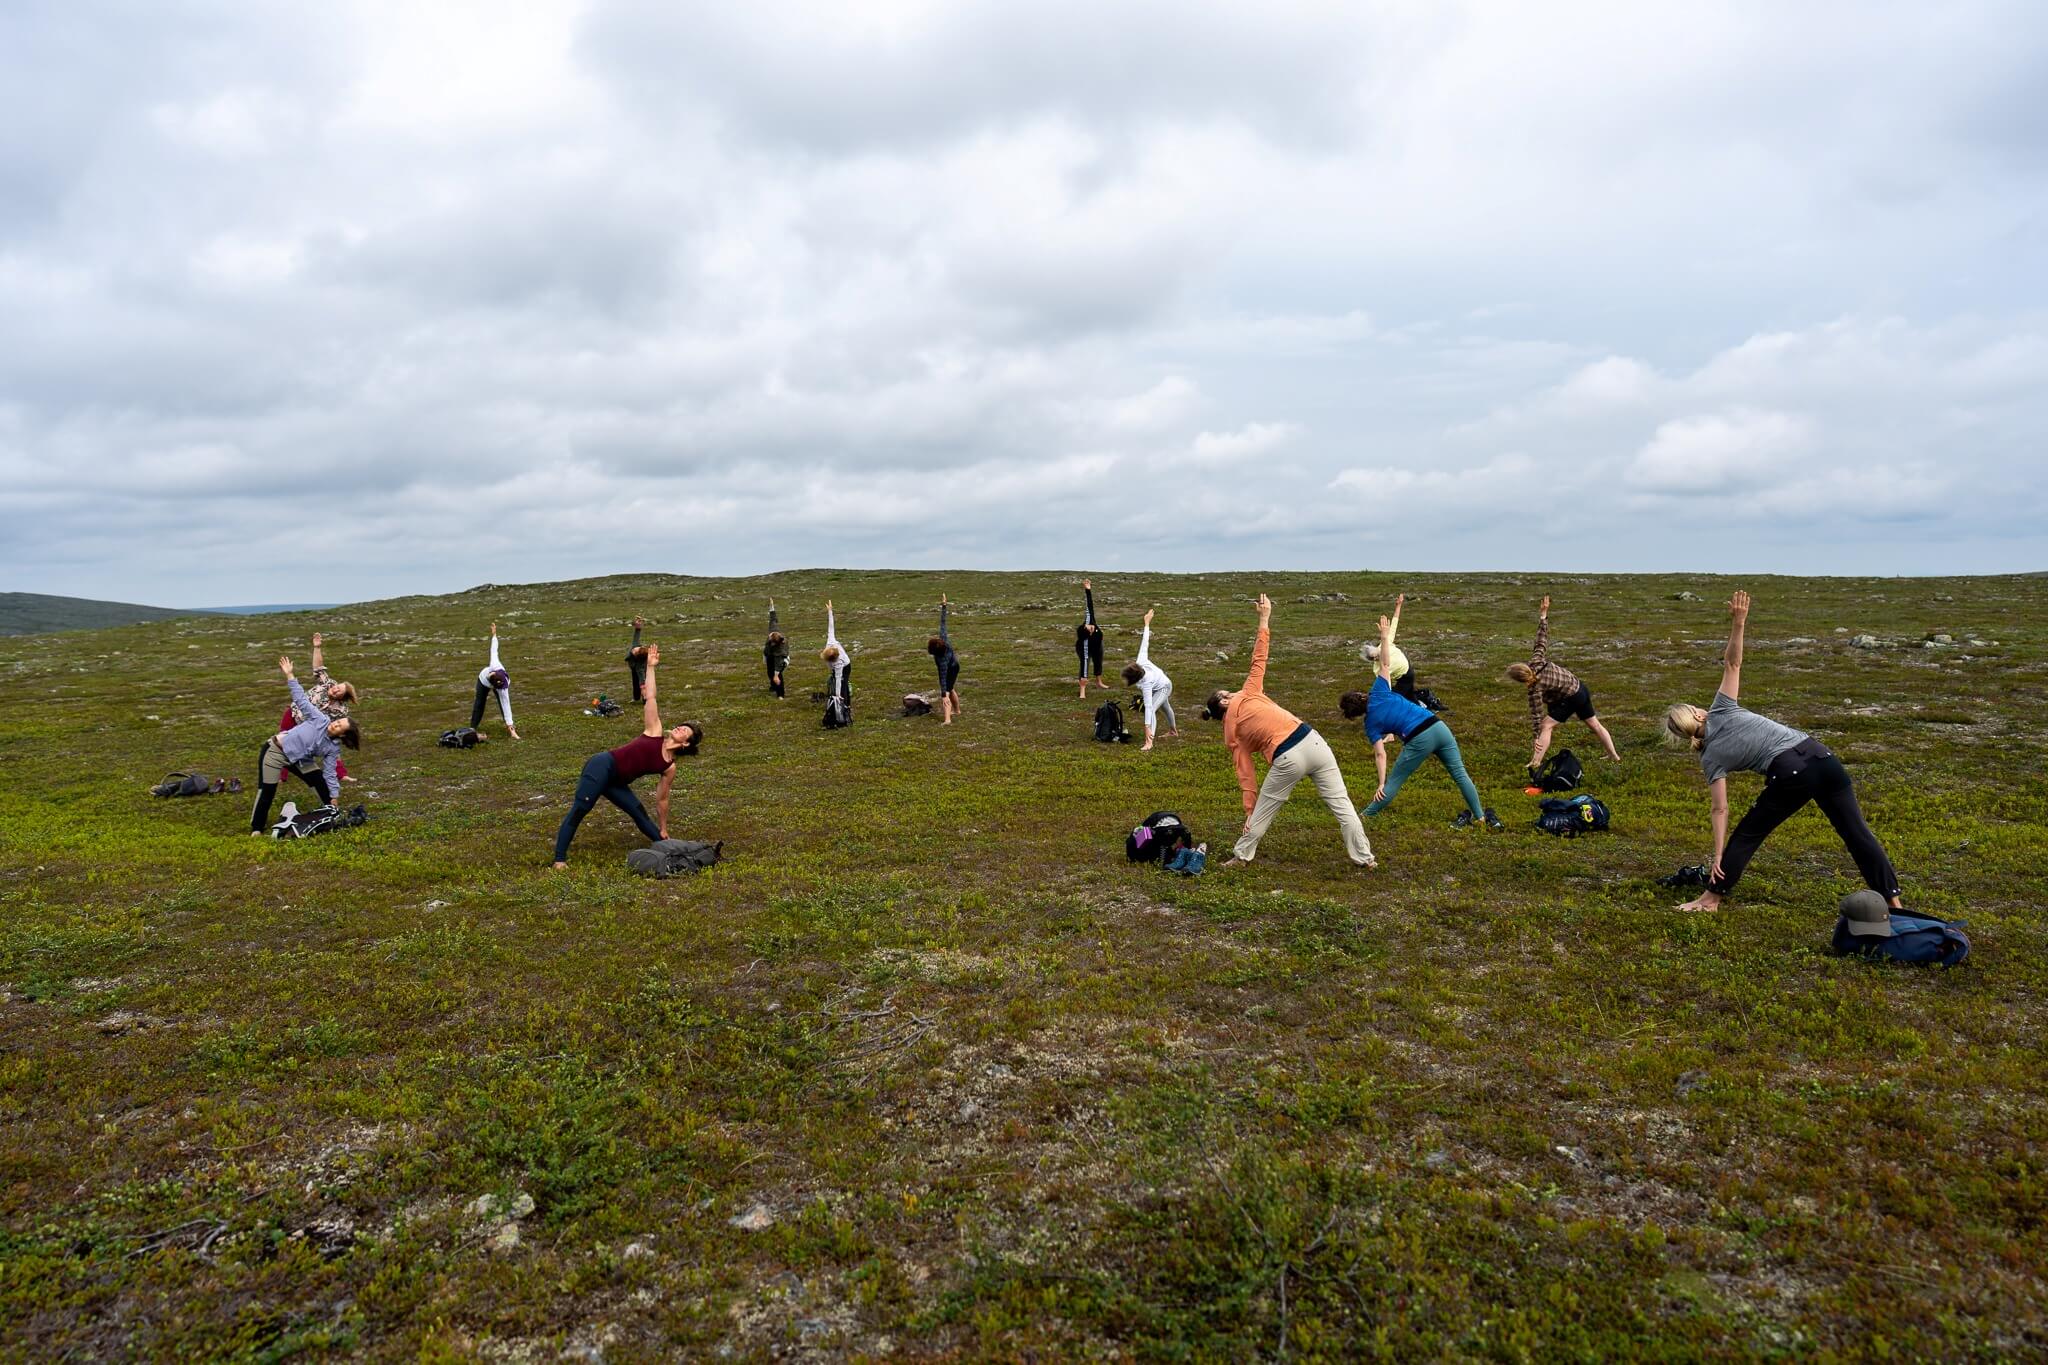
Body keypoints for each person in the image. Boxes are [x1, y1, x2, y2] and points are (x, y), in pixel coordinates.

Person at [1664, 591, 1906, 914]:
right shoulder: (1719, 709)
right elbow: (1733, 662)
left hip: (1792, 771)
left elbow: (1720, 810)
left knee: (1749, 833)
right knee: (1857, 833)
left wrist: (1719, 854)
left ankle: (1711, 899)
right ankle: (1895, 903)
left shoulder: (1710, 758)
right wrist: (1738, 622)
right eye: (1694, 707)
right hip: (1821, 756)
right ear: (1696, 715)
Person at [1206, 594, 1375, 870]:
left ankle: (1242, 856)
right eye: (1226, 692)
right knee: (1342, 805)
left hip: (1288, 758)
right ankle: (1365, 859)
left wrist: (1250, 810)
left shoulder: (1232, 735)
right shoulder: (1248, 693)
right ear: (1224, 701)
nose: (1231, 691)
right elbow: (1259, 657)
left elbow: (1246, 775)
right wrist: (1264, 618)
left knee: (1265, 809)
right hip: (1313, 740)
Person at [1340, 595, 1499, 828]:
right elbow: (1385, 664)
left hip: (1418, 739)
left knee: (1395, 781)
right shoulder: (1379, 690)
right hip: (1438, 726)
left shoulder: (1371, 724)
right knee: (1460, 774)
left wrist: (1381, 783)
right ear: (1362, 695)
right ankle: (1480, 816)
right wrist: (1384, 637)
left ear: (1354, 715)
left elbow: (1380, 754)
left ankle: (1365, 816)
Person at [551, 644, 703, 867]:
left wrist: (663, 827)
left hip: (616, 782)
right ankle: (559, 860)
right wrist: (650, 667)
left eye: (685, 731)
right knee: (581, 809)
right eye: (681, 726)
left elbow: (662, 799)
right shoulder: (654, 732)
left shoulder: (669, 766)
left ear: (686, 743)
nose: (680, 728)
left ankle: (670, 852)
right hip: (601, 767)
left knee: (639, 813)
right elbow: (651, 698)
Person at [1506, 595, 1620, 770]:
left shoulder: (1534, 689)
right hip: (1580, 688)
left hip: (1571, 697)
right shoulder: (1536, 660)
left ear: (1520, 680)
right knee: (1594, 724)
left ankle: (1535, 762)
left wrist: (1536, 737)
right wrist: (1543, 616)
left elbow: (1537, 717)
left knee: (1546, 725)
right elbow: (1541, 641)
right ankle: (1614, 756)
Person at [251, 654, 359, 833]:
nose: (335, 722)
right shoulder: (320, 719)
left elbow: (330, 773)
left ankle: (331, 814)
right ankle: (257, 828)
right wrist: (290, 675)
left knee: (320, 782)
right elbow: (301, 699)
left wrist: (334, 796)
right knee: (267, 791)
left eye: (339, 724)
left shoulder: (332, 747)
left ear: (343, 734)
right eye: (337, 721)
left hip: (300, 759)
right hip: (275, 752)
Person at [279, 631, 358, 784]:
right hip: (294, 714)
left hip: (309, 728)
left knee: (332, 750)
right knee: (282, 742)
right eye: (337, 686)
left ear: (343, 697)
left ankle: (341, 775)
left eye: (339, 691)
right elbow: (318, 668)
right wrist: (317, 647)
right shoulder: (327, 683)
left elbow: (333, 732)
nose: (335, 689)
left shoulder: (340, 710)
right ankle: (281, 777)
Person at [1121, 608, 1176, 751]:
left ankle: (1149, 742)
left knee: (1151, 711)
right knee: (1165, 707)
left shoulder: (1146, 683)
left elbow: (1149, 708)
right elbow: (1145, 642)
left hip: (1164, 687)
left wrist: (1147, 727)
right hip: (1162, 682)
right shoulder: (1140, 660)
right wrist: (1146, 623)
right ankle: (1173, 731)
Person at [470, 621, 520, 740]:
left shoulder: (502, 684)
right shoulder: (490, 670)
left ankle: (510, 727)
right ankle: (472, 728)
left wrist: (494, 635)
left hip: (495, 682)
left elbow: (506, 704)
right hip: (482, 681)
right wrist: (494, 635)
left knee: (503, 704)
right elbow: (493, 650)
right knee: (479, 703)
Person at [928, 594, 963, 724]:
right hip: (955, 665)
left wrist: (943, 694)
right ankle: (957, 711)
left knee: (947, 692)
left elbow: (943, 678)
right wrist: (944, 605)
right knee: (951, 687)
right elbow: (943, 623)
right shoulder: (944, 640)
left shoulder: (941, 661)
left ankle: (947, 719)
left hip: (952, 668)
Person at [1360, 633, 1419, 702]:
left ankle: (1414, 708)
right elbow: (1382, 681)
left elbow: (1383, 680)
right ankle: (1418, 707)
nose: (1377, 658)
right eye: (1374, 658)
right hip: (1406, 672)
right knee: (1409, 694)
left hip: (1406, 677)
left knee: (1396, 697)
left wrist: (1372, 695)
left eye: (1377, 655)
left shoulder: (1384, 665)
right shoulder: (1377, 667)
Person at [822, 599, 852, 726]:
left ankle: (845, 705)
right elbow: (831, 626)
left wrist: (838, 695)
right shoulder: (830, 642)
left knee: (843, 684)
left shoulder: (839, 662)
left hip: (846, 666)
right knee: (835, 681)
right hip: (838, 668)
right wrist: (830, 611)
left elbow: (839, 679)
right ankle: (839, 700)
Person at [1074, 578, 1105, 698]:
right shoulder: (1084, 642)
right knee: (1085, 664)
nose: (1092, 627)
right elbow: (1085, 664)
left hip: (1098, 645)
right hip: (1086, 650)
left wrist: (1088, 590)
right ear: (1087, 633)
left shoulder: (1089, 619)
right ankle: (1082, 689)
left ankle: (1099, 682)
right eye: (1090, 629)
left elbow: (1089, 605)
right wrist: (1083, 687)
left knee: (1098, 662)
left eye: (1090, 627)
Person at [764, 600, 789, 699]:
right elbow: (773, 618)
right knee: (769, 672)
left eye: (771, 641)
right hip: (770, 655)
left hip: (781, 660)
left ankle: (780, 694)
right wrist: (772, 606)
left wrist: (776, 675)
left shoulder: (780, 649)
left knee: (778, 676)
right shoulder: (773, 631)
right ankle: (773, 686)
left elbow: (778, 665)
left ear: (775, 643)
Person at [626, 617, 650, 702]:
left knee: (642, 682)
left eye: (634, 651)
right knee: (634, 682)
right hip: (633, 667)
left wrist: (643, 687)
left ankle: (645, 698)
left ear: (636, 656)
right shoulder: (636, 646)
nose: (633, 649)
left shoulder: (639, 666)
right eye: (635, 648)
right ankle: (636, 698)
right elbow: (636, 637)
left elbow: (642, 678)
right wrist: (638, 627)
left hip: (640, 669)